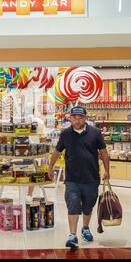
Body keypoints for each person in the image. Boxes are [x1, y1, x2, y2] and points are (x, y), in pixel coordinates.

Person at [48, 106, 110, 249]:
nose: (77, 120)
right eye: (74, 117)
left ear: (85, 118)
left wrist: (107, 170)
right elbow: (57, 152)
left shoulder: (95, 132)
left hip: (91, 177)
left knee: (88, 205)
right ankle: (72, 235)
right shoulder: (65, 134)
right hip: (72, 179)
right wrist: (50, 168)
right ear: (70, 119)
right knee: (73, 205)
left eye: (80, 117)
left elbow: (104, 152)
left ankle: (85, 228)